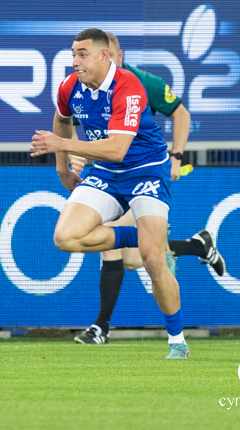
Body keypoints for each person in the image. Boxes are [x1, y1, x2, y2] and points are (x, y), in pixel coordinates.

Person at [30, 27, 188, 360]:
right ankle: (141, 236)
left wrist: (62, 144)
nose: (75, 61)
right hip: (105, 173)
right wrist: (62, 167)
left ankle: (177, 340)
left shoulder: (129, 87)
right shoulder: (69, 86)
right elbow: (61, 120)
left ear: (105, 56)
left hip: (146, 170)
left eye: (82, 54)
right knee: (65, 237)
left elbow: (117, 149)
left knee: (153, 260)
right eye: (73, 54)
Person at [74, 31, 225, 345]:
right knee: (133, 259)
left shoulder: (141, 82)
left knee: (118, 248)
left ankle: (100, 328)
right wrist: (73, 155)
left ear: (117, 55)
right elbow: (79, 128)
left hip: (143, 175)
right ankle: (198, 246)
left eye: (107, 55)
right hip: (111, 177)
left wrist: (176, 156)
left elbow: (181, 113)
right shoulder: (88, 87)